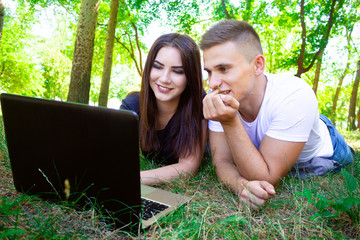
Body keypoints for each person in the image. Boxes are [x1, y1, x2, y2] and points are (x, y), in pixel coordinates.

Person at [200, 19, 354, 210]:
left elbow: (264, 177)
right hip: (273, 135)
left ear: (258, 65)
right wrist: (241, 186)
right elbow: (221, 161)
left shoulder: (294, 94)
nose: (213, 83)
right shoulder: (223, 98)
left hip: (326, 144)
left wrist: (229, 122)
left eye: (224, 69)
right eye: (209, 72)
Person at [120, 33, 208, 185]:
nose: (164, 79)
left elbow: (187, 168)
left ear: (190, 77)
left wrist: (132, 178)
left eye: (178, 71)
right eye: (158, 67)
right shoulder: (132, 105)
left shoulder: (199, 103)